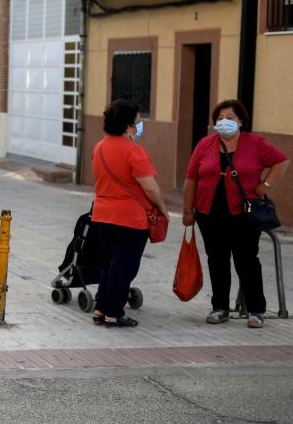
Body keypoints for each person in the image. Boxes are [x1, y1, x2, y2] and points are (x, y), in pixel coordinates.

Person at [182, 99, 289, 328]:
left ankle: (256, 310)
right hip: (209, 212)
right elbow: (191, 179)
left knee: (247, 260)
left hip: (243, 212)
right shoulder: (205, 144)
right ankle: (220, 307)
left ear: (241, 121)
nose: (224, 122)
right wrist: (187, 210)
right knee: (217, 259)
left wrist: (265, 186)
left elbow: (281, 161)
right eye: (219, 119)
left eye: (230, 118)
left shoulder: (255, 143)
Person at [90, 99, 168, 328]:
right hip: (130, 219)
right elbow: (150, 188)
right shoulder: (135, 151)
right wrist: (162, 207)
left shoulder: (99, 147)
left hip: (102, 216)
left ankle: (100, 309)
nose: (140, 126)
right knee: (124, 268)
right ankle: (114, 314)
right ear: (127, 126)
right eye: (137, 122)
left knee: (108, 264)